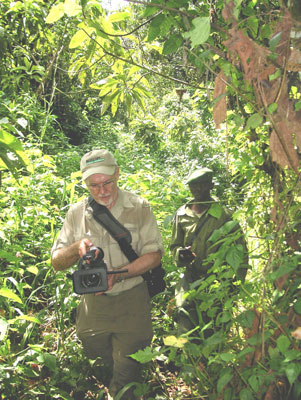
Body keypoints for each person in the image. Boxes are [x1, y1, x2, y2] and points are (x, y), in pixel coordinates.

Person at [51, 149, 164, 399]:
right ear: (85, 184)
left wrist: (118, 275)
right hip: (94, 305)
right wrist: (75, 248)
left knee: (126, 373)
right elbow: (57, 262)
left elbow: (154, 255)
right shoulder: (76, 213)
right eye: (94, 185)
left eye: (107, 183)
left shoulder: (139, 207)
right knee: (99, 358)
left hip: (131, 298)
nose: (102, 191)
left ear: (117, 174)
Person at [170, 167, 249, 337]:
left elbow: (240, 250)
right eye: (193, 186)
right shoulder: (182, 214)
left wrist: (238, 283)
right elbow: (174, 246)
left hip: (217, 279)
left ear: (210, 186)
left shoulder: (223, 215)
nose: (197, 190)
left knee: (215, 326)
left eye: (202, 185)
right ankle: (188, 358)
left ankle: (211, 361)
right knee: (185, 317)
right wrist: (180, 254)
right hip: (191, 277)